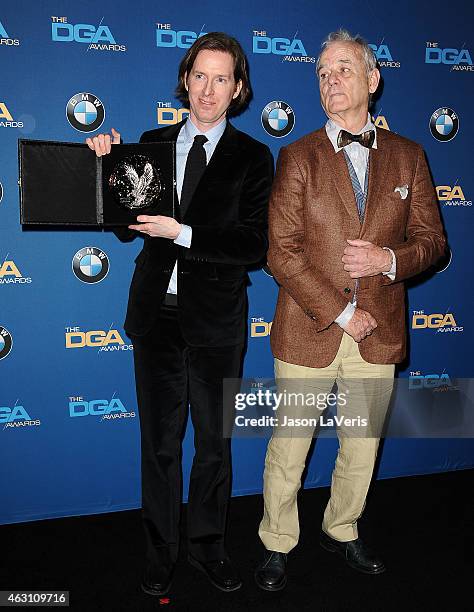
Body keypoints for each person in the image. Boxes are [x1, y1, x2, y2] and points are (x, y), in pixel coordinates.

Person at [254, 28, 446, 591]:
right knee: (289, 449)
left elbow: (433, 243)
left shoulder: (410, 155)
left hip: (378, 333)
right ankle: (277, 540)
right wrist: (341, 312)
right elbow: (280, 252)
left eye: (342, 68)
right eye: (321, 73)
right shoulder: (297, 155)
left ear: (372, 79)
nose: (331, 79)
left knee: (360, 450)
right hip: (310, 328)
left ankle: (342, 528)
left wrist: (388, 258)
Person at [86, 32, 274, 595]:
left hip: (217, 325)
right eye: (200, 76)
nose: (208, 89)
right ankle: (159, 551)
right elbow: (122, 227)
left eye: (222, 78)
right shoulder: (151, 143)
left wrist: (183, 232)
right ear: (185, 81)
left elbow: (253, 245)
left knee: (214, 446)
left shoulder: (253, 157)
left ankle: (208, 547)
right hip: (156, 321)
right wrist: (109, 167)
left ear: (238, 89)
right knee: (160, 446)